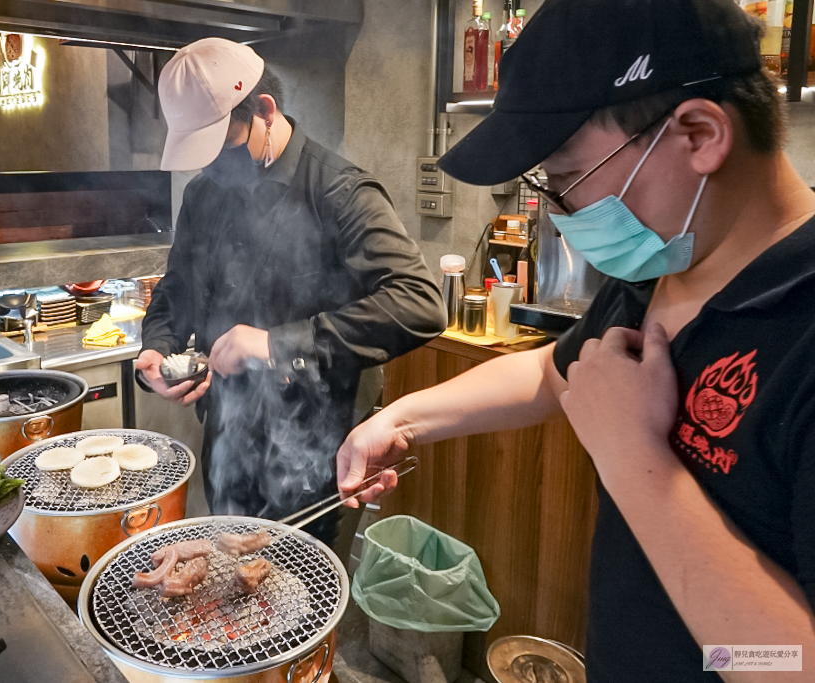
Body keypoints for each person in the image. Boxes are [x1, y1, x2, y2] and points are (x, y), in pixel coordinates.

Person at [338, 0, 815, 680]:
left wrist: (633, 459)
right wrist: (400, 420)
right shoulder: (669, 261)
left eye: (567, 181)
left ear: (700, 134)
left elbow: (797, 665)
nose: (560, 215)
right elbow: (557, 374)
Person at [137, 38, 445, 546]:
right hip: (227, 431)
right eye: (202, 159)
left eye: (222, 151)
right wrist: (158, 346)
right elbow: (178, 289)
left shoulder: (338, 191)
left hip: (319, 445)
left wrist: (275, 344)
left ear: (264, 110)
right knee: (227, 577)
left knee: (305, 600)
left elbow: (419, 303)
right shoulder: (204, 194)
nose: (212, 170)